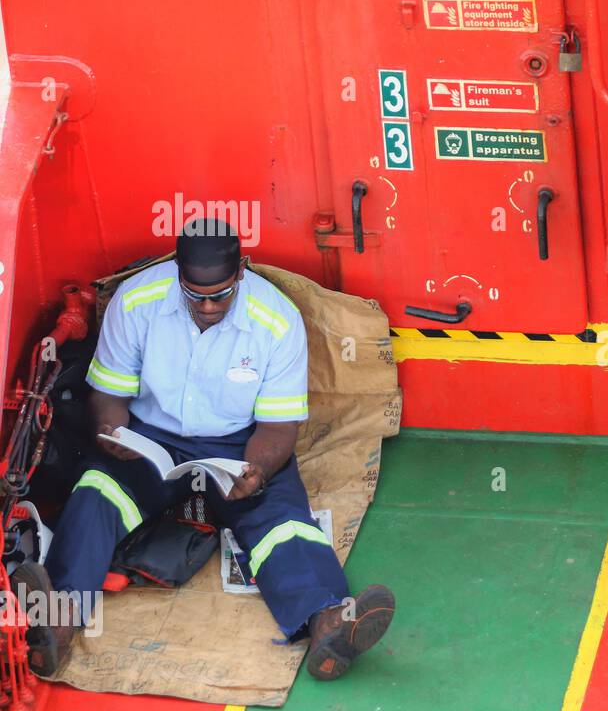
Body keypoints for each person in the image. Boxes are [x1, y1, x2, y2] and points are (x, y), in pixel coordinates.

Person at [27, 219, 395, 681]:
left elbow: (279, 426)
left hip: (241, 445)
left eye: (219, 295)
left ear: (240, 273)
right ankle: (56, 624)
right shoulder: (137, 301)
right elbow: (109, 396)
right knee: (96, 494)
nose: (206, 306)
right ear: (176, 272)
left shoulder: (276, 320)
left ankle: (327, 624)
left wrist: (257, 470)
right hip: (148, 439)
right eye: (194, 294)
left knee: (281, 523)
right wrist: (109, 430)